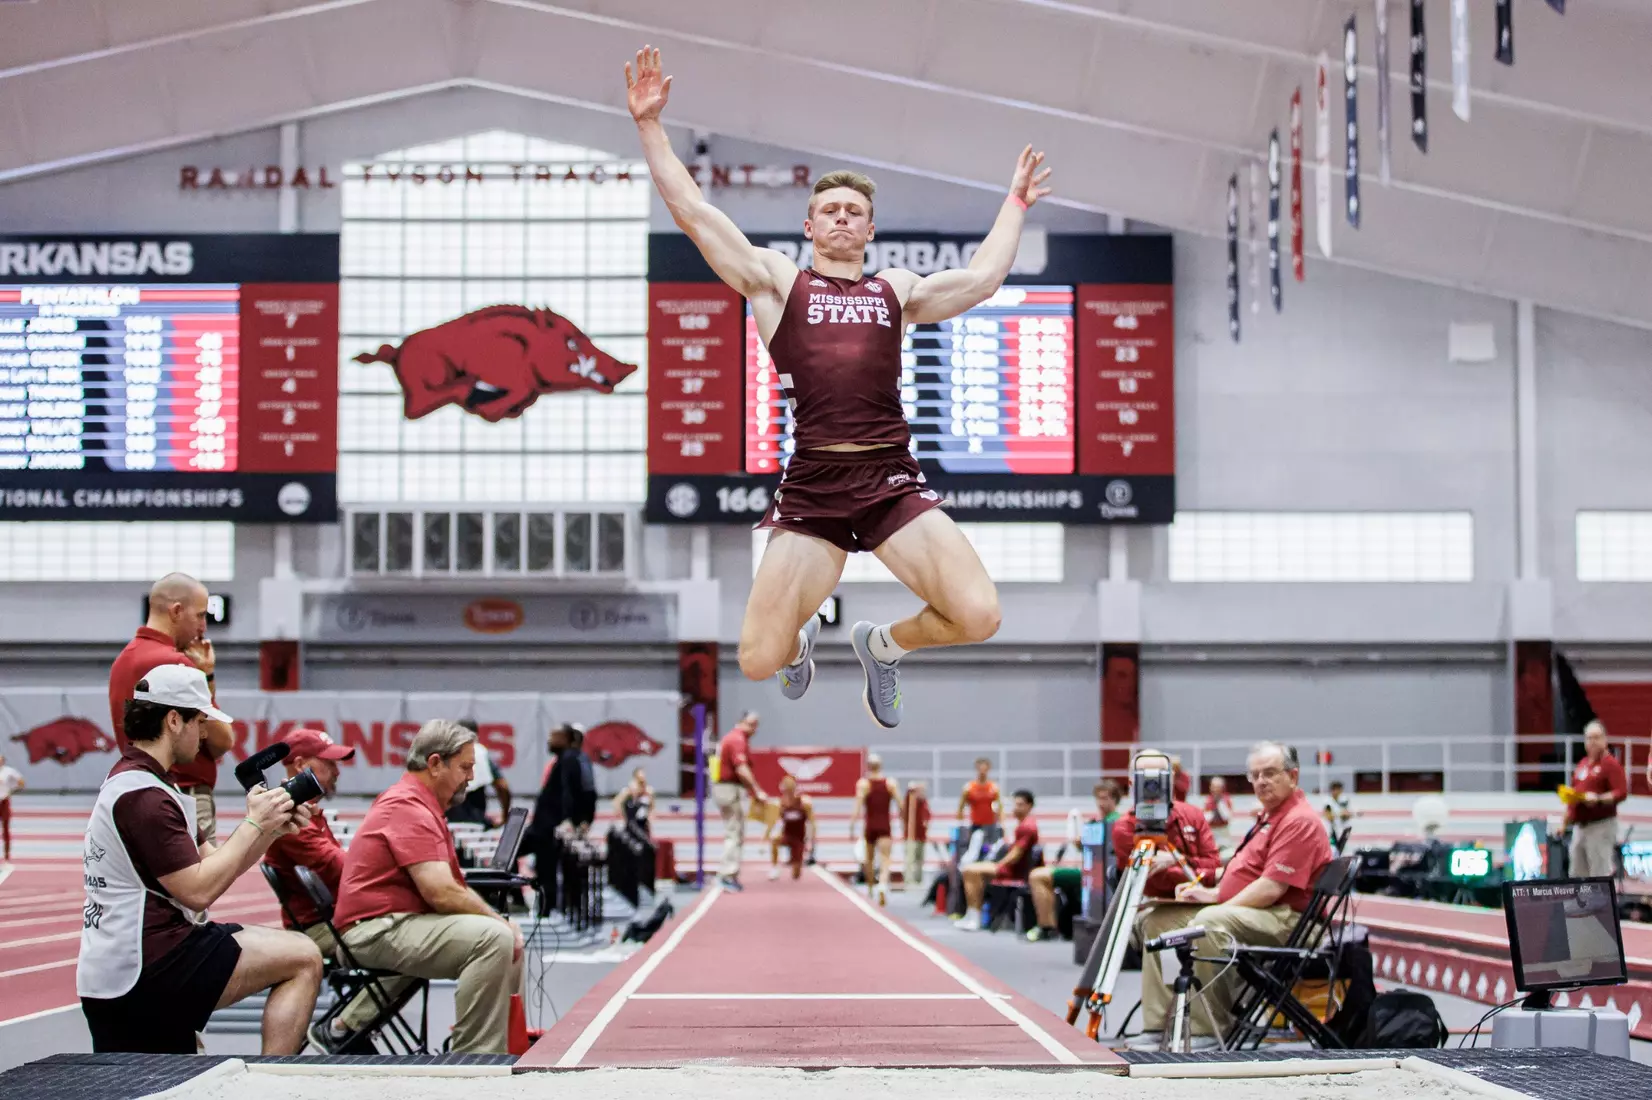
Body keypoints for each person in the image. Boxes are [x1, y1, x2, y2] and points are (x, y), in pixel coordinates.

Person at [627, 46, 1051, 729]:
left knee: (979, 614)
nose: (844, 218)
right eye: (831, 209)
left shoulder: (897, 289)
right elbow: (697, 215)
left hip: (890, 483)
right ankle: (800, 638)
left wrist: (1015, 203)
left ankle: (883, 646)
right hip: (814, 491)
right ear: (810, 226)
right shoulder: (777, 282)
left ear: (871, 229)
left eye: (855, 210)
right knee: (760, 658)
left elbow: (980, 281)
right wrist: (650, 127)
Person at [78, 665, 322, 1055]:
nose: (205, 733)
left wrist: (269, 829)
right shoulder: (145, 797)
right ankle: (270, 1083)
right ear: (174, 720)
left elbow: (215, 861)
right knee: (304, 957)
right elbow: (199, 891)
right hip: (147, 968)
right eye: (200, 720)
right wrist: (253, 822)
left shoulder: (146, 783)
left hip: (131, 962)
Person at [333, 720, 524, 1055]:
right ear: (435, 764)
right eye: (465, 767)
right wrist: (499, 919)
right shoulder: (408, 807)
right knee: (494, 938)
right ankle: (475, 1057)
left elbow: (445, 888)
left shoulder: (418, 805)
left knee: (505, 936)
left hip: (392, 921)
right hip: (374, 930)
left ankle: (506, 1044)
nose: (470, 777)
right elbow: (441, 892)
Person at [1133, 741, 1332, 1046]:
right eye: (1255, 775)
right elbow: (1245, 873)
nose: (1261, 781)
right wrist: (1209, 891)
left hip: (1289, 920)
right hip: (1261, 912)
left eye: (1270, 773)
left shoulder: (1298, 821)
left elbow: (1270, 888)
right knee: (1159, 920)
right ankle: (1158, 1023)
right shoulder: (1269, 817)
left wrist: (1216, 901)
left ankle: (1209, 1028)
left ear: (1293, 776)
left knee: (1210, 922)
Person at [259, 728, 412, 1051]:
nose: (337, 771)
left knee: (412, 940)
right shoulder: (291, 817)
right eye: (329, 763)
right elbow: (343, 870)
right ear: (300, 765)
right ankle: (344, 1028)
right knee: (413, 950)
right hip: (320, 930)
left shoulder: (308, 813)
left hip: (333, 920)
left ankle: (351, 1028)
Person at [109, 573, 233, 841]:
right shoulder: (177, 664)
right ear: (177, 611)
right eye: (200, 616)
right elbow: (222, 740)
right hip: (183, 796)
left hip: (143, 789)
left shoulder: (123, 660)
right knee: (203, 878)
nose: (203, 627)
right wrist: (206, 677)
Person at [1026, 780, 1125, 943]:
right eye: (1098, 798)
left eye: (1105, 798)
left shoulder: (1116, 822)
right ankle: (1048, 925)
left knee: (1038, 876)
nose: (1101, 802)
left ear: (1115, 799)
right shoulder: (1097, 822)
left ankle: (1047, 927)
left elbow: (1109, 852)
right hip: (1089, 873)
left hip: (1101, 877)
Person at [956, 789, 1039, 932]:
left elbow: (1016, 854)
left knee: (970, 870)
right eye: (1015, 804)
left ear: (1029, 806)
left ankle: (974, 917)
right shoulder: (1021, 824)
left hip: (1016, 871)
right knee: (970, 869)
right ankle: (971, 914)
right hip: (1011, 867)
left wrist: (999, 865)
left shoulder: (1027, 826)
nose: (1016, 808)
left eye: (1020, 805)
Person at [711, 712, 768, 891]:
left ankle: (729, 874)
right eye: (752, 724)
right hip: (728, 789)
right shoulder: (737, 740)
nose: (755, 729)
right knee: (734, 832)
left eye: (757, 725)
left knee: (735, 831)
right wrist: (757, 790)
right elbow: (741, 769)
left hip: (727, 788)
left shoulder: (733, 738)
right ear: (741, 722)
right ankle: (726, 875)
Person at [1568, 720, 1628, 878]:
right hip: (1580, 826)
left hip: (1600, 825)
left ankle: (1602, 903)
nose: (1592, 742)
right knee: (1576, 874)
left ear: (1604, 739)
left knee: (1598, 874)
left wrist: (1599, 799)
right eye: (1589, 738)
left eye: (1596, 737)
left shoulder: (1611, 765)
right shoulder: (1582, 764)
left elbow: (1621, 792)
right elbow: (1574, 792)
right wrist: (1565, 820)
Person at [852, 754, 900, 906]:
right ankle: (883, 885)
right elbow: (901, 804)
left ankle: (871, 888)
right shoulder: (890, 783)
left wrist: (852, 824)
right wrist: (904, 817)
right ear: (881, 766)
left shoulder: (863, 784)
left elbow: (858, 806)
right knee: (886, 859)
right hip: (884, 825)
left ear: (868, 766)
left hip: (870, 825)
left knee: (869, 859)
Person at [447, 722, 512, 828]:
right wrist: (504, 817)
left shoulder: (446, 752)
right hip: (476, 820)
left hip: (449, 819)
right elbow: (503, 787)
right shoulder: (480, 752)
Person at [765, 776, 815, 881]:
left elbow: (812, 823)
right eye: (785, 789)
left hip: (799, 839)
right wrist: (767, 834)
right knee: (774, 840)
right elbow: (773, 821)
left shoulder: (804, 803)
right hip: (786, 836)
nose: (787, 792)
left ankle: (794, 861)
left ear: (794, 788)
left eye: (790, 789)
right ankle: (774, 868)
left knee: (796, 876)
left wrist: (811, 841)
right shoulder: (780, 804)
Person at [958, 757, 1003, 845]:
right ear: (977, 769)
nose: (982, 772)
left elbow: (1000, 807)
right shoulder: (969, 787)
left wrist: (1001, 823)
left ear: (988, 769)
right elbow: (961, 807)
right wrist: (961, 824)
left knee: (990, 848)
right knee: (974, 847)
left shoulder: (994, 787)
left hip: (990, 824)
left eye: (984, 769)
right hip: (975, 823)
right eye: (980, 769)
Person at [902, 780, 932, 893]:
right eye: (920, 790)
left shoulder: (924, 803)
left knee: (920, 859)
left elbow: (927, 816)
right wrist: (911, 790)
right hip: (911, 836)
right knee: (910, 858)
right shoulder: (910, 800)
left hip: (921, 836)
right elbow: (904, 812)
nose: (922, 792)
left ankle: (918, 880)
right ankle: (909, 881)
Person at [613, 767, 654, 837]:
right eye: (640, 780)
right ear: (635, 779)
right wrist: (624, 815)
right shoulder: (628, 791)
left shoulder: (648, 791)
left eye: (643, 779)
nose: (642, 782)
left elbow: (652, 806)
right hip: (632, 824)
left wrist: (650, 817)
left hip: (644, 824)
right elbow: (616, 802)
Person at [0, 752, 23, 863]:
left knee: (6, 829)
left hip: (4, 800)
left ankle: (7, 855)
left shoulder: (8, 771)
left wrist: (12, 790)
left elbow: (21, 782)